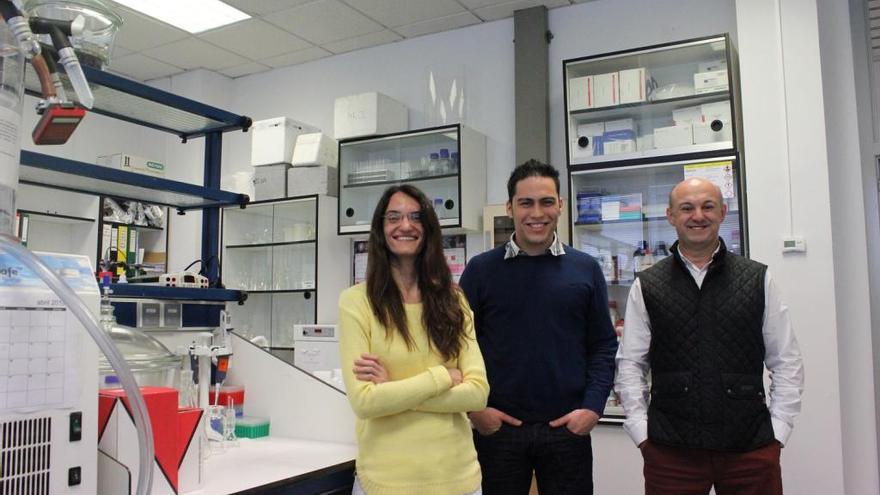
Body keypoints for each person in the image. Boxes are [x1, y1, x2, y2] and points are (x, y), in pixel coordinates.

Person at [614, 177, 805, 495]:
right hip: (671, 452)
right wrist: (641, 432)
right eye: (687, 208)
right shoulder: (647, 286)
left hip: (750, 448)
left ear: (723, 212)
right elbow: (631, 365)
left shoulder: (758, 279)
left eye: (707, 207)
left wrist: (779, 431)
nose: (697, 216)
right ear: (671, 216)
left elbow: (786, 359)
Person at [459, 159, 618, 495]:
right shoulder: (480, 270)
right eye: (526, 203)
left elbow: (603, 345)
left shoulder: (586, 269)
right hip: (497, 431)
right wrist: (475, 410)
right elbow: (456, 345)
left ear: (560, 205)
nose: (537, 213)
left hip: (567, 430)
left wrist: (592, 408)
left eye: (546, 202)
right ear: (510, 207)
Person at [338, 184, 489, 495]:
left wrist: (392, 388)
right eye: (394, 217)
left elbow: (477, 394)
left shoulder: (453, 301)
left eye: (415, 217)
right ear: (381, 229)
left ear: (428, 229)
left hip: (458, 479)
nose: (405, 225)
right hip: (385, 481)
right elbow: (364, 402)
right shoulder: (356, 303)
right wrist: (441, 377)